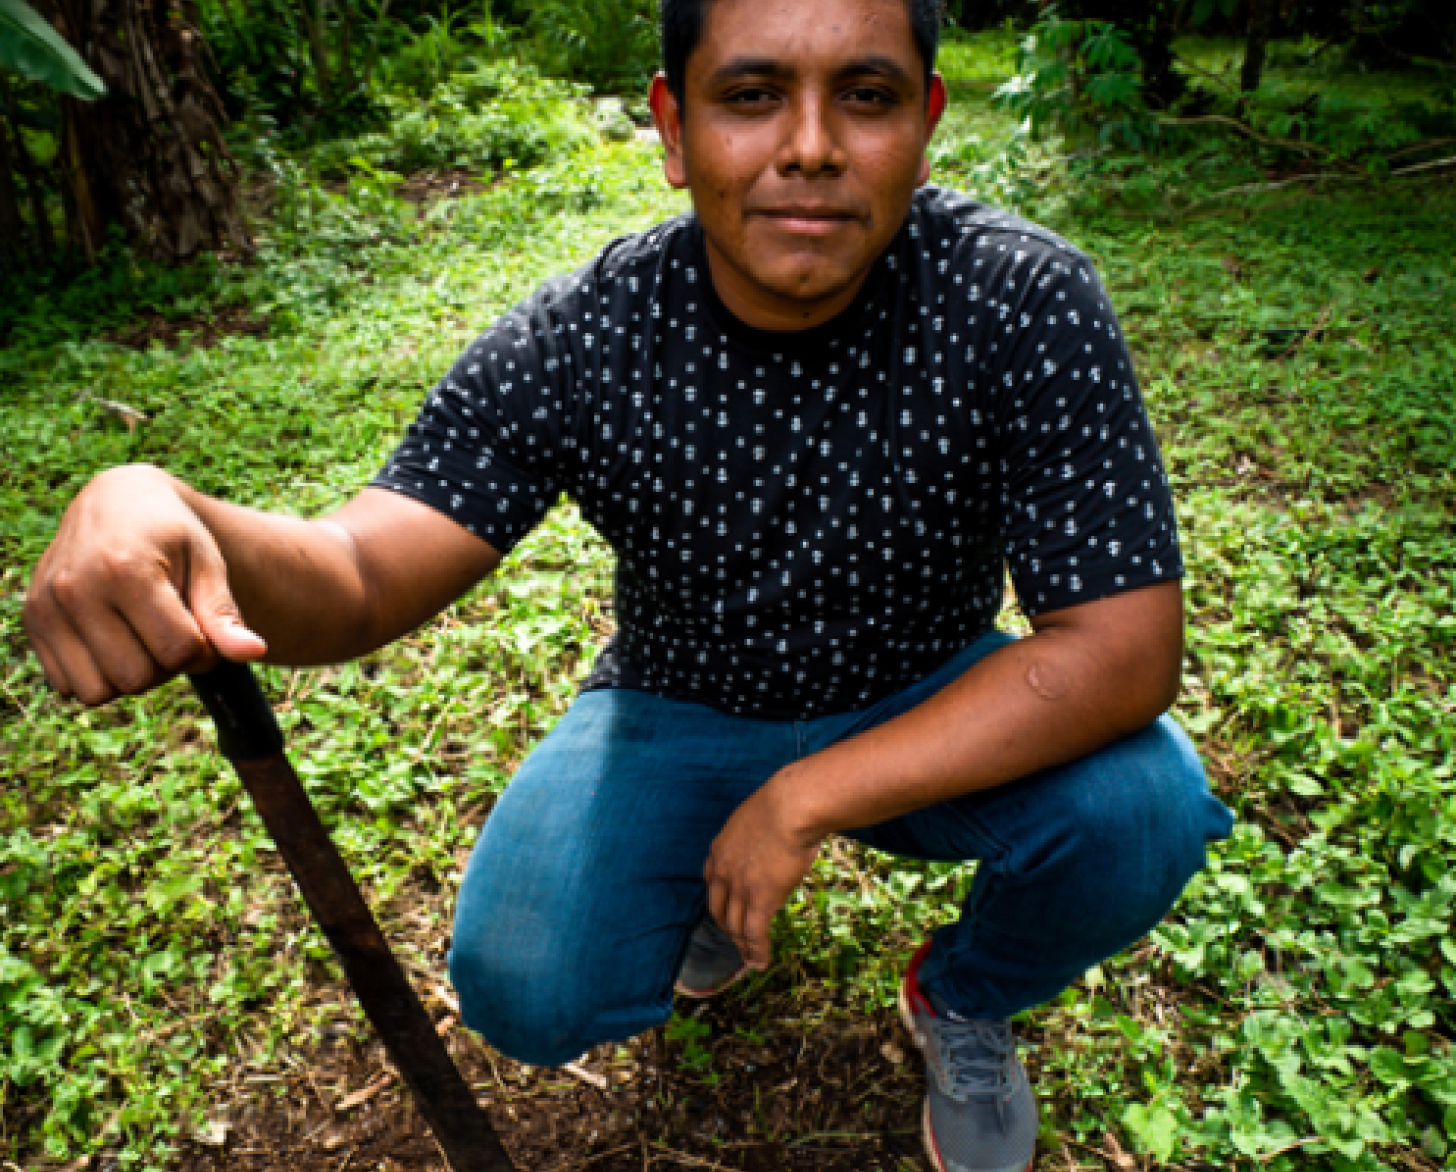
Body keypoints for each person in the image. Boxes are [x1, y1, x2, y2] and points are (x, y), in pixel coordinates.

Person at [23, 0, 1234, 1168]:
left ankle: (961, 995)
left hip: (929, 694)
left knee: (1147, 804)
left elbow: (1119, 650)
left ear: (922, 123)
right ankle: (710, 873)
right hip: (678, 704)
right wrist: (175, 508)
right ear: (672, 127)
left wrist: (806, 794)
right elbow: (355, 573)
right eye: (750, 95)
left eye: (862, 98)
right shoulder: (590, 333)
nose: (808, 147)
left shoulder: (1022, 300)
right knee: (526, 983)